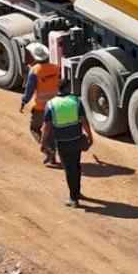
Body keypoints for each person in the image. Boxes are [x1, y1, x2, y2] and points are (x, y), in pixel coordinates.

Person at [40, 79, 94, 208]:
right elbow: (84, 120)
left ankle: (73, 198)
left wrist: (43, 142)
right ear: (67, 88)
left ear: (57, 89)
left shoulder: (51, 104)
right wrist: (90, 136)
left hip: (62, 143)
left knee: (69, 170)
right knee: (76, 166)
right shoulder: (75, 101)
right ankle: (77, 192)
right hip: (76, 140)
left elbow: (46, 127)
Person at [19, 43, 61, 165]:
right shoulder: (55, 68)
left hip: (40, 108)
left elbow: (29, 90)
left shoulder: (35, 71)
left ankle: (47, 149)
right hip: (55, 106)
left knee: (34, 128)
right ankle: (52, 157)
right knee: (51, 132)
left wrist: (23, 102)